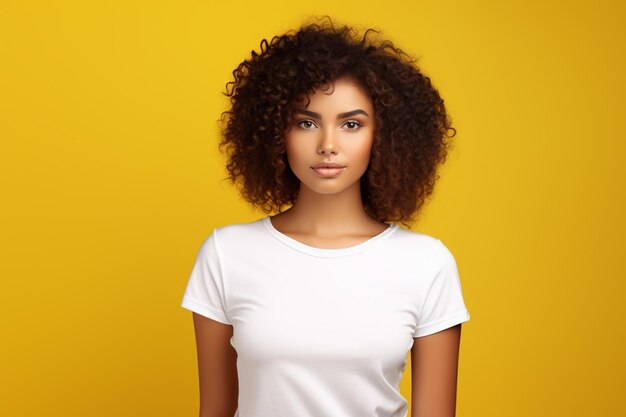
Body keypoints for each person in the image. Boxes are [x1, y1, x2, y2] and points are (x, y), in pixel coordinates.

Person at [181, 17, 470, 417]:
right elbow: (214, 409)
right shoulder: (227, 254)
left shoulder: (426, 263)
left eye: (351, 124)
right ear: (276, 134)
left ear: (384, 136)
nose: (328, 145)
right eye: (306, 123)